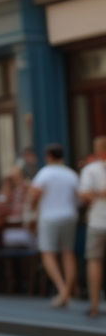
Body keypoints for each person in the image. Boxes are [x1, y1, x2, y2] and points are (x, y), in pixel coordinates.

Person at [30, 143, 80, 308]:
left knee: (48, 253)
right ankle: (67, 290)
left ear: (49, 156)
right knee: (68, 252)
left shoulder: (45, 173)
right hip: (69, 215)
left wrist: (32, 207)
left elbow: (34, 195)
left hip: (50, 216)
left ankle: (62, 289)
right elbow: (78, 197)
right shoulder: (71, 174)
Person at [77, 135, 106, 318]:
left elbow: (84, 195)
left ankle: (94, 306)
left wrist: (98, 194)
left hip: (97, 221)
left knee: (94, 261)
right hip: (96, 220)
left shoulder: (90, 169)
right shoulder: (91, 169)